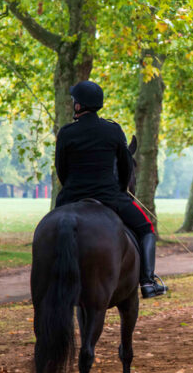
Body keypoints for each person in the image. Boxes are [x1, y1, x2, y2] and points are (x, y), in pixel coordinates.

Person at [54, 80, 166, 299]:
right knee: (146, 229)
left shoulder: (66, 132)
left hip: (71, 197)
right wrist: (121, 190)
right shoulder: (113, 130)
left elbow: (61, 170)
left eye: (74, 100)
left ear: (78, 106)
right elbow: (125, 167)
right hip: (109, 196)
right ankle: (147, 281)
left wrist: (71, 189)